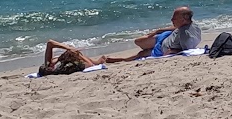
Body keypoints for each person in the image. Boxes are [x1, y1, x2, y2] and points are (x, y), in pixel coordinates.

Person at [36, 6, 202, 76]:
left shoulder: (51, 63)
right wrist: (73, 51)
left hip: (162, 44)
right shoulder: (64, 68)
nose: (172, 19)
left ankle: (117, 59)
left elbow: (50, 43)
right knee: (140, 49)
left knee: (141, 52)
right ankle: (116, 59)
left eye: (175, 17)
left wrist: (68, 49)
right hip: (162, 42)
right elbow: (179, 36)